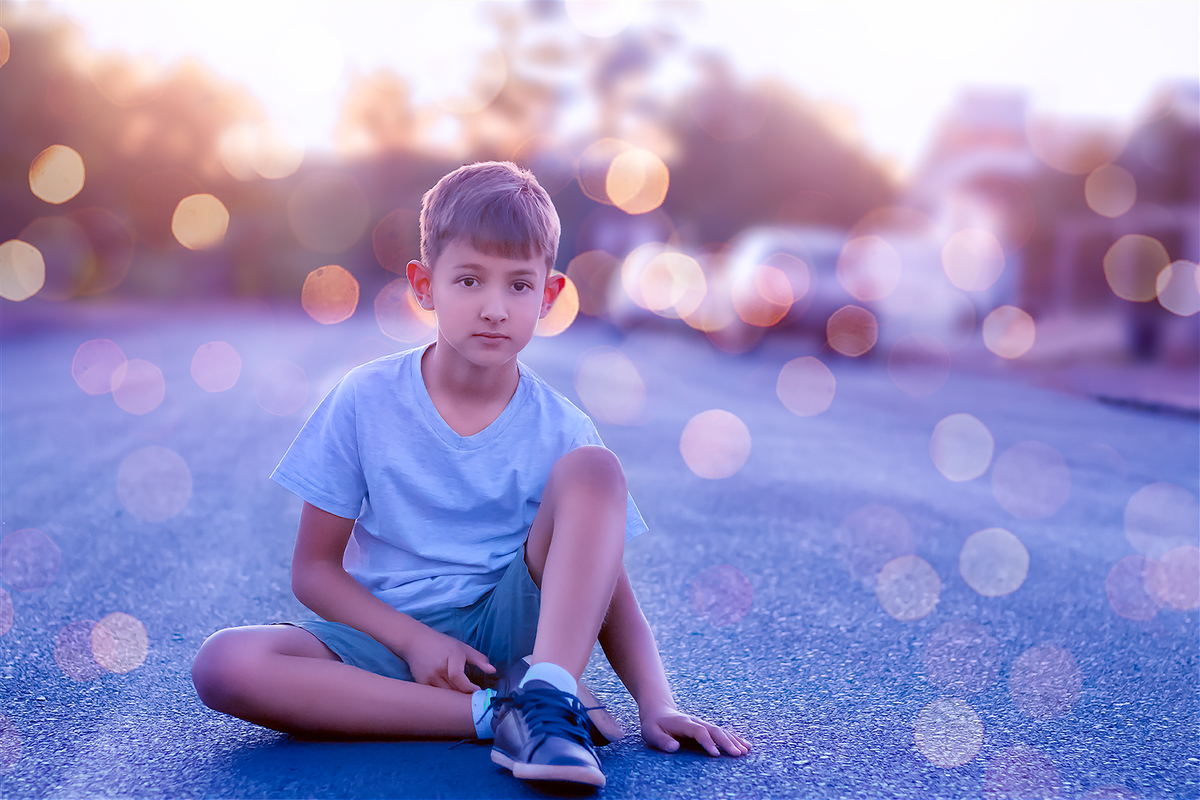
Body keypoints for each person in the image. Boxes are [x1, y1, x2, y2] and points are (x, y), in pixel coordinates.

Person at [191, 161, 749, 789]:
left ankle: (548, 692)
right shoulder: (364, 398)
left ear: (549, 296)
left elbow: (608, 585)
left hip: (507, 634)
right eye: (469, 280)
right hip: (387, 635)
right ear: (425, 286)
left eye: (517, 286)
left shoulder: (560, 428)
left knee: (595, 470)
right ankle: (496, 714)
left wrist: (656, 700)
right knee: (225, 664)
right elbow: (314, 570)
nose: (493, 307)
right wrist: (413, 642)